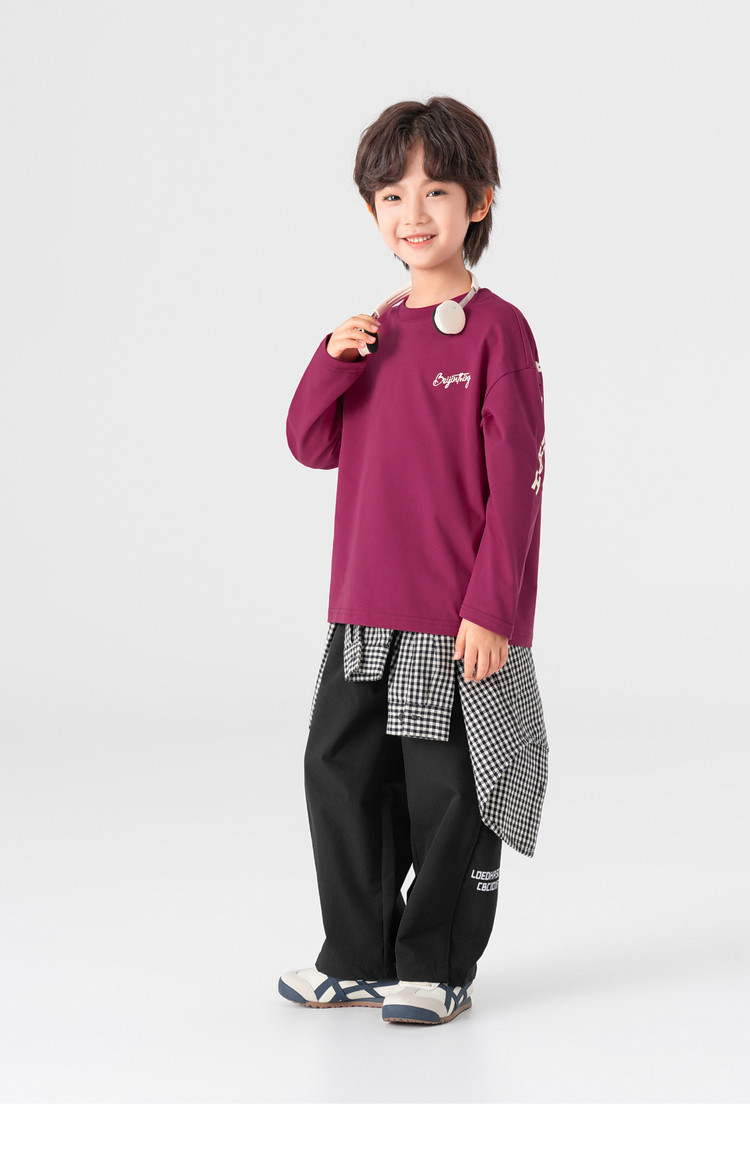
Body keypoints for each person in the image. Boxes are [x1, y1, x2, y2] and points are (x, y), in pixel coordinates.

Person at [280, 96, 549, 1027]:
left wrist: (494, 609)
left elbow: (517, 486)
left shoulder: (497, 331)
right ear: (372, 211)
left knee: (447, 792)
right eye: (392, 195)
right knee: (341, 774)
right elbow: (311, 442)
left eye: (436, 190)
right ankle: (357, 956)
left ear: (478, 201)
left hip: (451, 619)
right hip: (363, 610)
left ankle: (435, 965)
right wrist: (330, 358)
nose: (414, 212)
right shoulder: (373, 331)